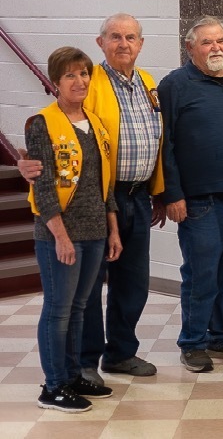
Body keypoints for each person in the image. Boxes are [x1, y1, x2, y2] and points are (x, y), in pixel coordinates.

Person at [18, 13, 164, 384]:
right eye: (115, 36)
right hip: (96, 200)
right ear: (101, 43)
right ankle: (82, 363)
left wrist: (160, 190)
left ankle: (121, 353)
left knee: (133, 283)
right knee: (82, 294)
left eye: (131, 37)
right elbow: (52, 139)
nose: (123, 44)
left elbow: (162, 141)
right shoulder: (90, 82)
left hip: (135, 196)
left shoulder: (148, 82)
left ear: (141, 44)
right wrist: (28, 165)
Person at [159, 16, 223, 373]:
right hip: (199, 201)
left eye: (221, 41)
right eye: (207, 42)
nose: (216, 48)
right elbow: (165, 143)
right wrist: (171, 193)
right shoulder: (176, 84)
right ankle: (192, 342)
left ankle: (221, 335)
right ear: (190, 48)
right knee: (202, 275)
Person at [27, 47, 121, 412]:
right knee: (59, 309)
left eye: (84, 74)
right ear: (55, 83)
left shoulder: (95, 122)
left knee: (81, 307)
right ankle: (52, 386)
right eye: (70, 75)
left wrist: (112, 229)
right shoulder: (42, 124)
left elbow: (105, 183)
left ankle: (71, 374)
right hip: (59, 235)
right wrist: (60, 236)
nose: (79, 81)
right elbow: (44, 186)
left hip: (95, 230)